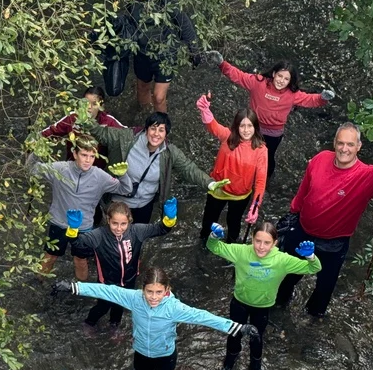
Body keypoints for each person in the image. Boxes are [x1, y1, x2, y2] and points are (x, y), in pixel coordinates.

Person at [276, 122, 373, 316]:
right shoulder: (320, 158)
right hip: (303, 230)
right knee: (287, 275)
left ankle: (312, 320)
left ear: (358, 146)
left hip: (333, 243)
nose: (344, 149)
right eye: (340, 143)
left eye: (350, 144)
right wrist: (293, 211)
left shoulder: (366, 176)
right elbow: (304, 188)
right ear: (334, 143)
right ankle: (278, 307)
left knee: (324, 288)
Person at [55, 267, 258, 370]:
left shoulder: (174, 308)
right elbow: (108, 291)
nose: (153, 297)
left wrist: (237, 328)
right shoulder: (134, 298)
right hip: (141, 354)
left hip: (165, 357)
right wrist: (74, 287)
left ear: (167, 290)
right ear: (142, 289)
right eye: (149, 292)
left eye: (158, 292)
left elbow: (203, 316)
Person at [206, 221, 321, 370]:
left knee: (257, 337)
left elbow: (314, 268)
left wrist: (310, 256)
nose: (261, 247)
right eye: (258, 241)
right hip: (239, 302)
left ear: (275, 243)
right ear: (252, 239)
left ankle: (256, 367)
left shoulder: (282, 260)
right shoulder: (241, 251)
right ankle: (228, 364)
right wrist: (213, 236)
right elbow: (214, 247)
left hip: (262, 307)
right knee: (234, 334)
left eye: (267, 243)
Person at [87, 111, 229, 224]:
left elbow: (189, 169)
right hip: (118, 201)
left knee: (137, 239)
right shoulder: (126, 138)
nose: (156, 134)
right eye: (153, 128)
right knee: (114, 236)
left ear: (166, 134)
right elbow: (101, 133)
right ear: (146, 130)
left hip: (144, 205)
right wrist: (85, 118)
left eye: (161, 130)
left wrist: (210, 183)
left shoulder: (170, 153)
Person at [210, 55, 335, 179]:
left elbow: (310, 99)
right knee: (244, 150)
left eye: (286, 79)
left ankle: (265, 180)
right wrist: (222, 64)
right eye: (280, 76)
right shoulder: (258, 82)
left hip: (273, 133)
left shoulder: (292, 94)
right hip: (254, 127)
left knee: (268, 157)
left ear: (290, 81)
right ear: (274, 74)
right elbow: (239, 76)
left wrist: (322, 98)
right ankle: (241, 175)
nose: (281, 81)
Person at [68, 198, 177, 339]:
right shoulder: (99, 235)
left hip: (129, 280)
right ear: (108, 220)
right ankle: (89, 323)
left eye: (123, 224)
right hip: (107, 282)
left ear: (129, 221)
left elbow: (161, 229)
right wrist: (73, 229)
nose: (119, 228)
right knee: (103, 306)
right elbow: (77, 244)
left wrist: (169, 219)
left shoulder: (136, 231)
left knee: (120, 305)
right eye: (115, 223)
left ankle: (114, 326)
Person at [27, 133, 131, 280]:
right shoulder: (59, 169)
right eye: (84, 155)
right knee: (50, 256)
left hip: (84, 227)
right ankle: (38, 283)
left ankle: (81, 289)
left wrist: (124, 175)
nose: (88, 160)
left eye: (92, 156)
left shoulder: (100, 176)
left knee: (80, 261)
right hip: (59, 223)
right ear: (75, 154)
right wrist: (36, 152)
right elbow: (31, 170)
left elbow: (125, 189)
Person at [194, 94, 268, 244]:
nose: (246, 130)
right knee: (209, 221)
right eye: (242, 126)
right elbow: (213, 126)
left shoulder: (261, 150)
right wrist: (204, 109)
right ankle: (203, 242)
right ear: (236, 126)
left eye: (250, 126)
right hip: (218, 189)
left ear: (255, 127)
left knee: (234, 223)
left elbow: (260, 180)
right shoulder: (227, 137)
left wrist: (255, 206)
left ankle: (231, 248)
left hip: (240, 195)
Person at [127, 0, 201, 113]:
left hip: (165, 54)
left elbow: (183, 22)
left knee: (159, 97)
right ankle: (144, 118)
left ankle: (162, 124)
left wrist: (194, 49)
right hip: (142, 52)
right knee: (142, 88)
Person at [40, 86, 126, 172]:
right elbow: (48, 133)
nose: (89, 107)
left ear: (101, 106)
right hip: (72, 171)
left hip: (99, 173)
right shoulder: (72, 118)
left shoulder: (108, 121)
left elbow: (127, 136)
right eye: (85, 103)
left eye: (94, 104)